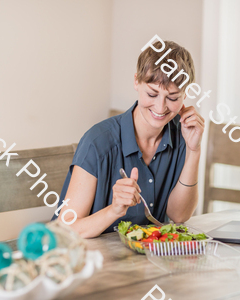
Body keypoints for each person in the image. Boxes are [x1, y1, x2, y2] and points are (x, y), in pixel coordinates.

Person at [52, 40, 205, 238]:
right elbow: (66, 229)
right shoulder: (98, 142)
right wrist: (114, 210)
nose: (161, 108)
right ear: (136, 82)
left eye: (173, 98)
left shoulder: (183, 133)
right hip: (87, 259)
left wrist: (194, 150)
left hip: (143, 263)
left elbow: (179, 215)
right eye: (152, 93)